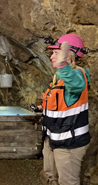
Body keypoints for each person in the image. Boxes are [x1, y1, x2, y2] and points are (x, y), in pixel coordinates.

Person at [40, 34, 90, 185]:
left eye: (56, 52)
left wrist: (62, 66)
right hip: (53, 139)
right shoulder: (59, 78)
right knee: (49, 177)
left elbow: (75, 85)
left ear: (68, 55)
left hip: (69, 144)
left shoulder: (77, 75)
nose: (51, 57)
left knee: (68, 182)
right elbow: (59, 102)